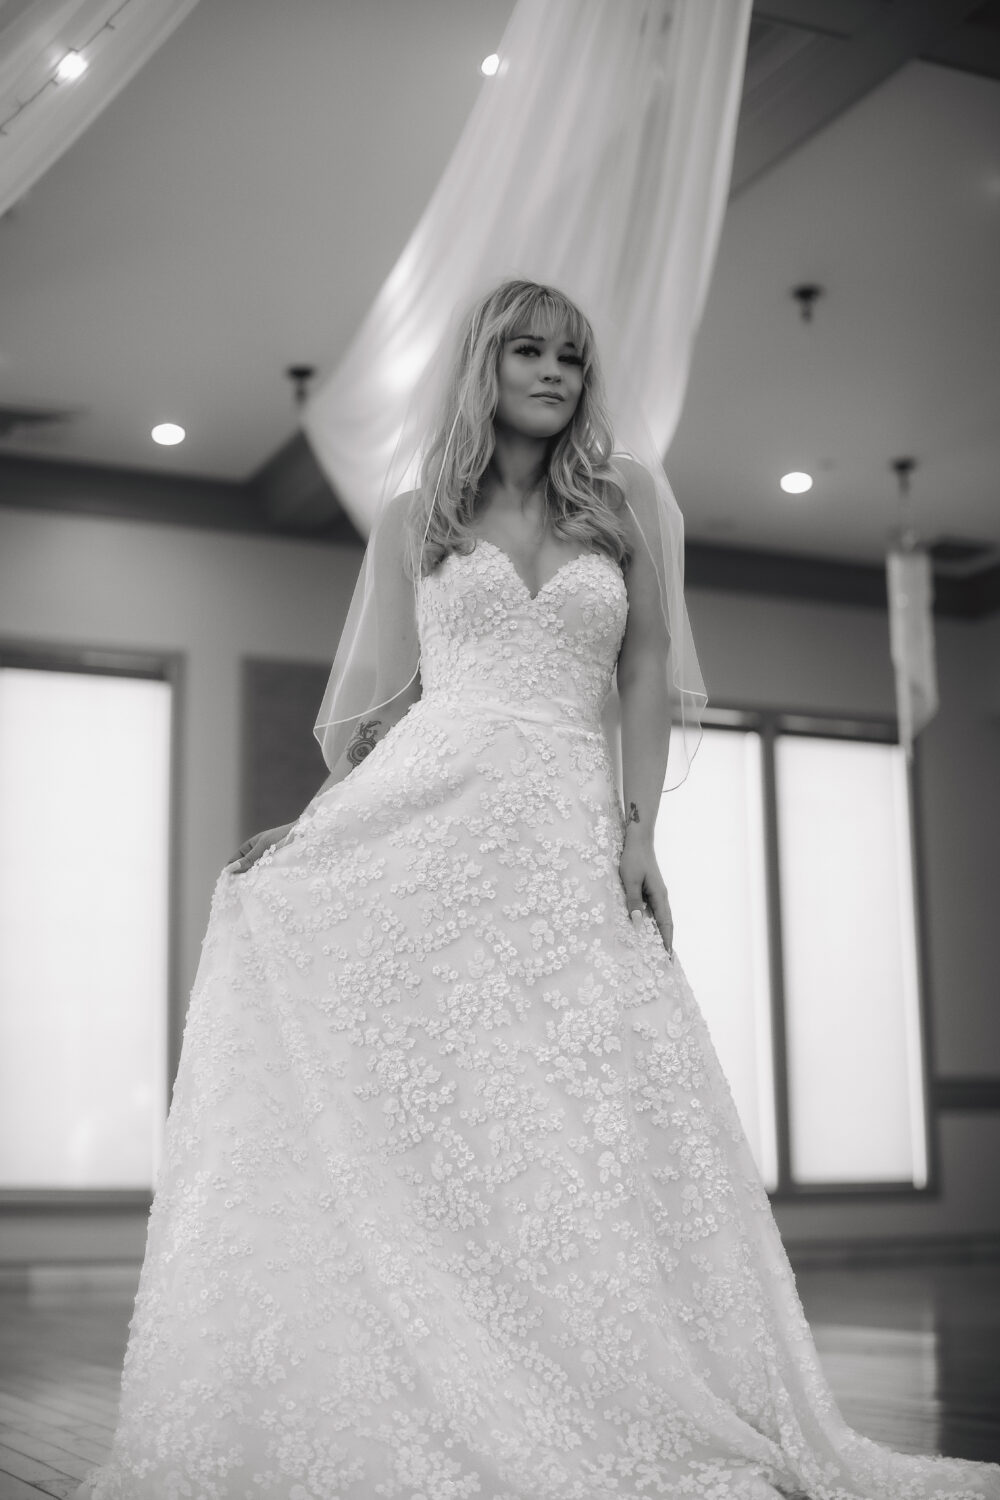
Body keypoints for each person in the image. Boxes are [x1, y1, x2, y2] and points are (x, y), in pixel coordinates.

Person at [75, 281, 999, 1500]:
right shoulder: (418, 515)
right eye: (529, 349)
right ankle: (433, 1357)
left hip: (564, 822)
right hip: (435, 806)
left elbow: (646, 672)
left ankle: (598, 1378)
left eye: (572, 355)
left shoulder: (624, 507)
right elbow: (401, 707)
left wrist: (635, 833)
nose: (557, 371)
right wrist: (311, 835)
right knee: (444, 1098)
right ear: (485, 366)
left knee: (572, 1107)